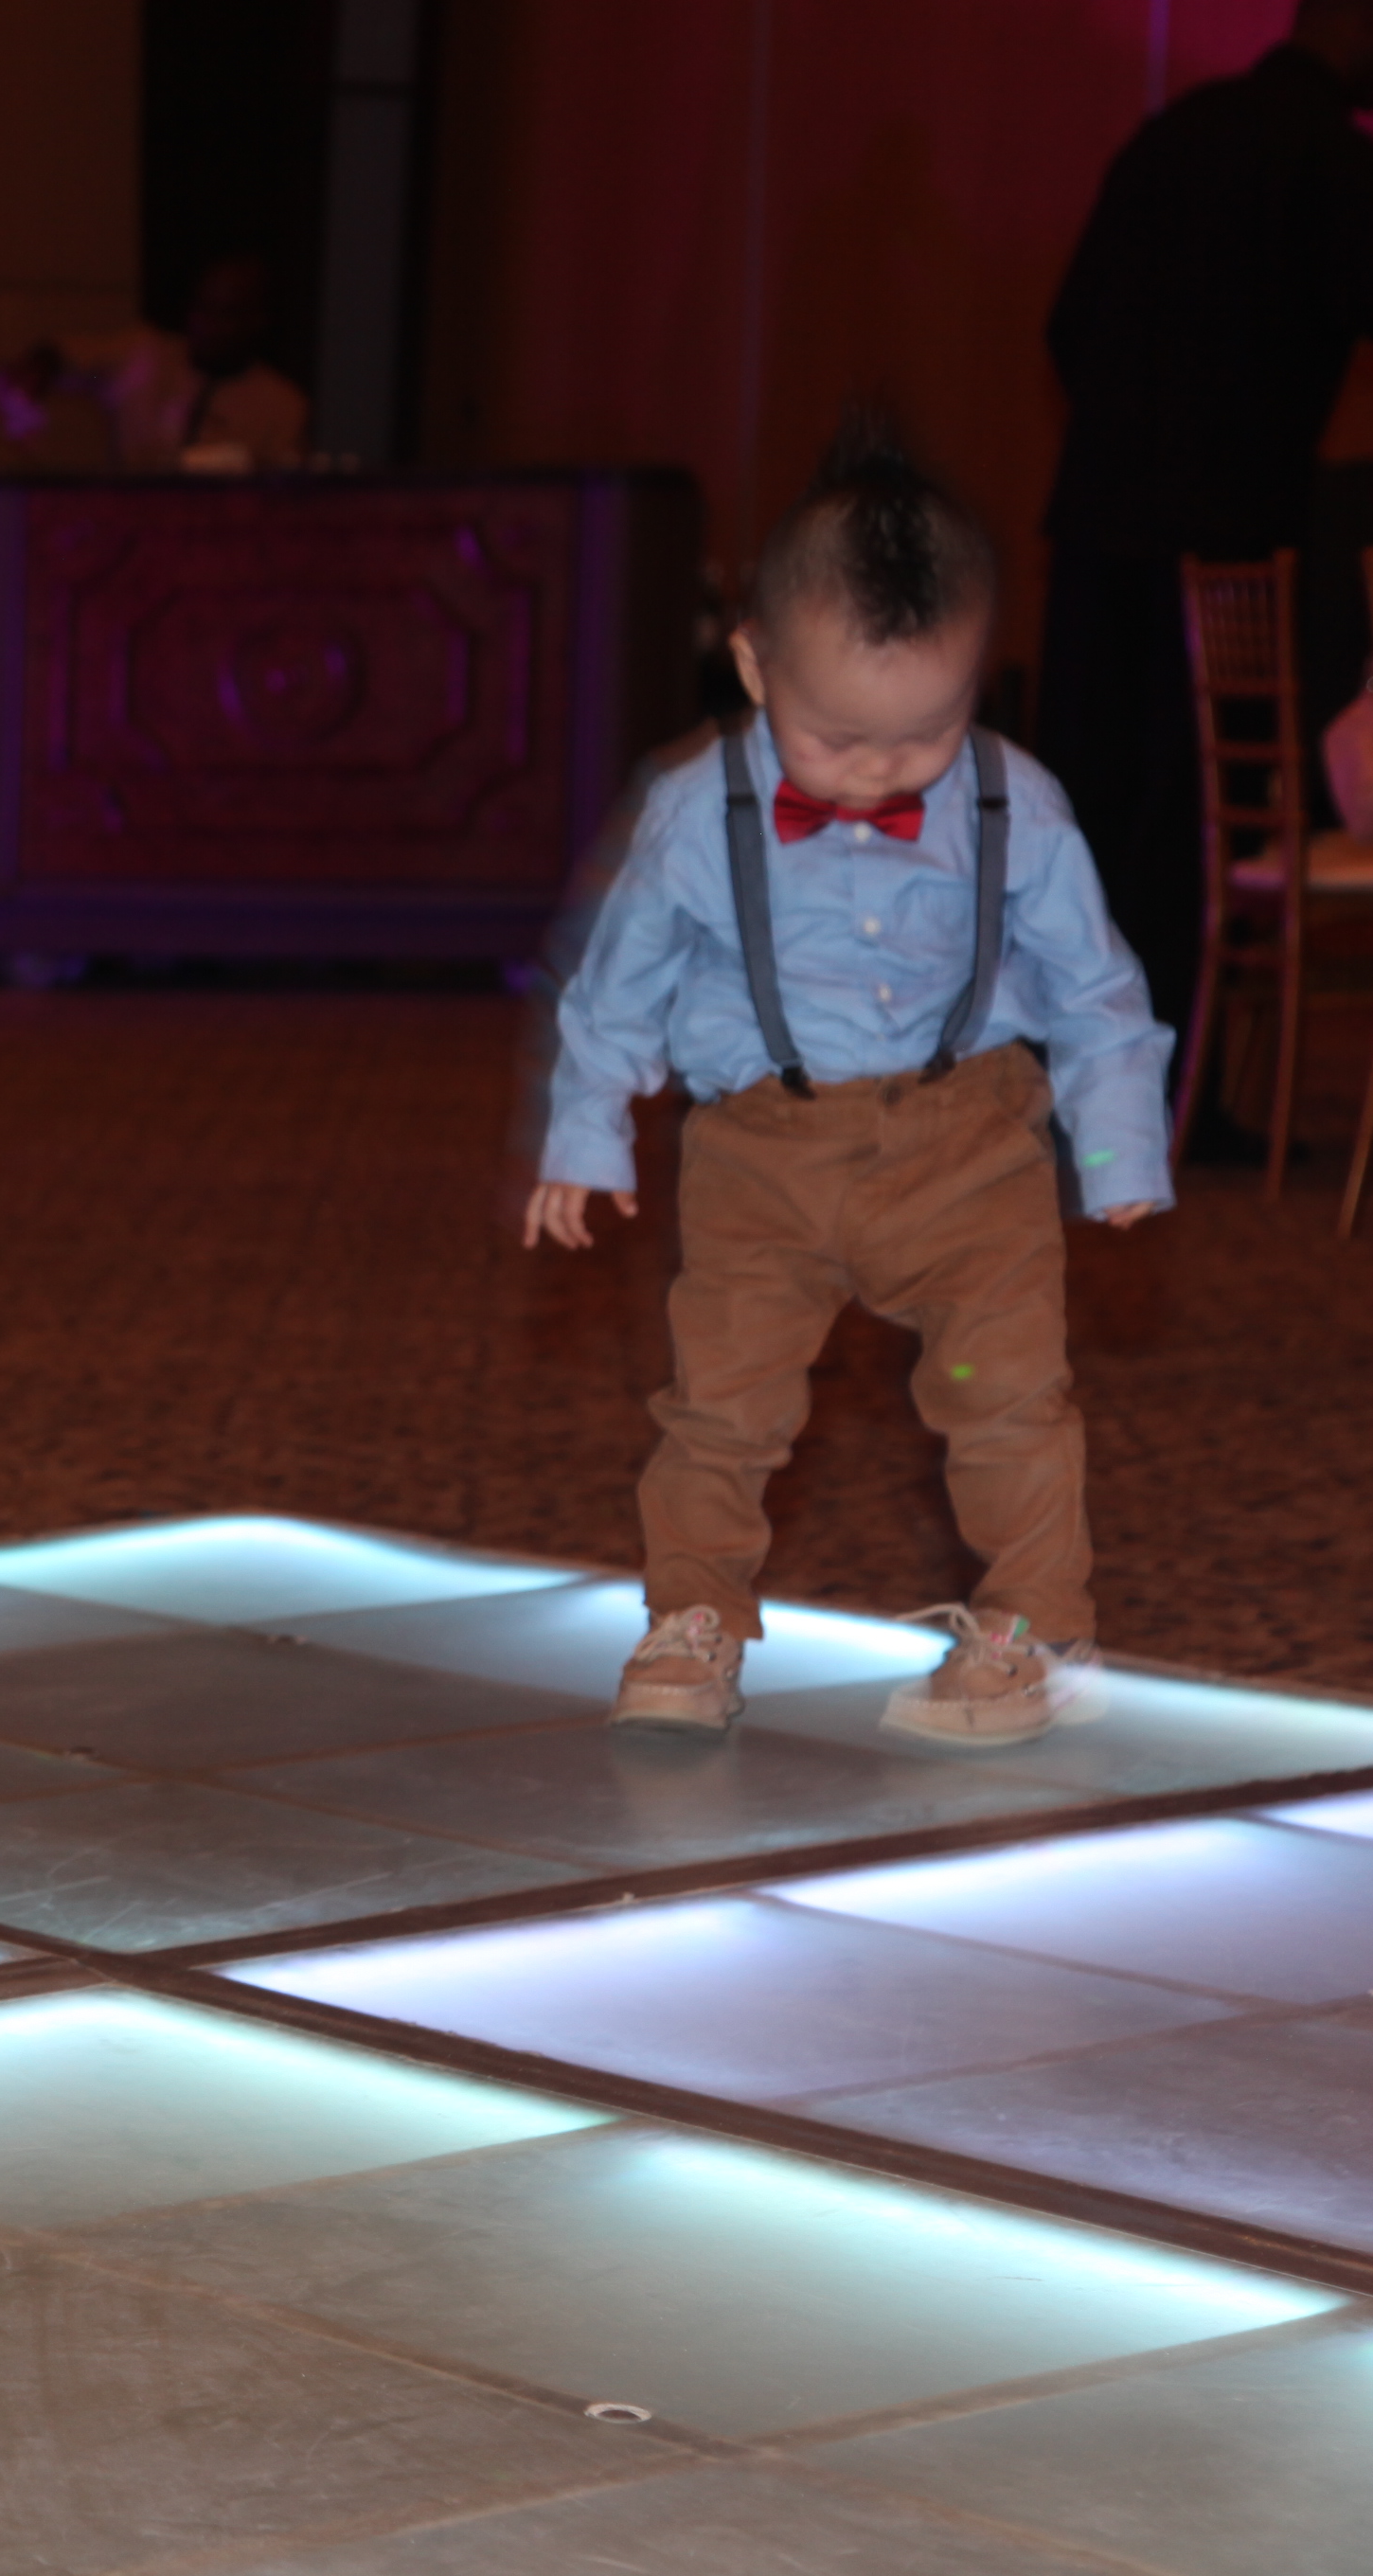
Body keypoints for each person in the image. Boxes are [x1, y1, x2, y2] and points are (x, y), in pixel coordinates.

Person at [528, 417, 1174, 1749]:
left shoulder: (1016, 801)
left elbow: (1094, 986)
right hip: (760, 1154)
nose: (882, 771)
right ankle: (692, 1615)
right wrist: (587, 1133)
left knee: (1012, 1398)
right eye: (840, 740)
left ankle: (1037, 1628)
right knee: (720, 1405)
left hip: (972, 1142)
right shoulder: (694, 809)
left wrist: (1117, 1149)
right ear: (753, 664)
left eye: (926, 732)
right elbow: (619, 984)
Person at [1041, 0, 1373, 1144]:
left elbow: (1068, 324)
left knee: (1086, 813)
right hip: (1225, 547)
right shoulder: (1332, 163)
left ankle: (1078, 1091)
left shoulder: (1173, 136)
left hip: (1099, 529)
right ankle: (1166, 1099)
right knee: (1192, 827)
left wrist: (1134, 440)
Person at [0, 255, 310, 472]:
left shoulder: (280, 405)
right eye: (203, 308)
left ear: (257, 320)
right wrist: (38, 371)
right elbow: (72, 360)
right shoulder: (143, 360)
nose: (208, 325)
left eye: (226, 314)